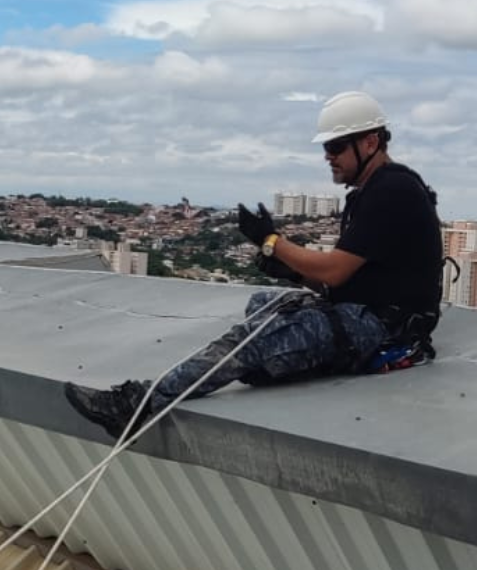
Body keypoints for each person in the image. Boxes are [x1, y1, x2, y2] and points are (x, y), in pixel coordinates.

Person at [65, 91, 444, 438]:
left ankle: (137, 405)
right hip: (366, 312)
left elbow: (334, 271)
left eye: (336, 146)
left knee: (248, 344)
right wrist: (293, 272)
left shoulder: (392, 191)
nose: (328, 156)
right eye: (327, 147)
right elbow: (344, 284)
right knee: (261, 306)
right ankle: (274, 361)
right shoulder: (371, 193)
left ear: (370, 143)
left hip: (384, 330)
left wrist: (273, 241)